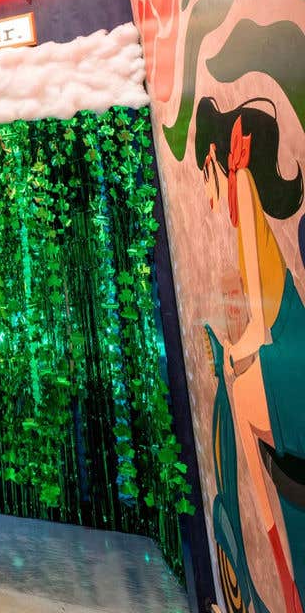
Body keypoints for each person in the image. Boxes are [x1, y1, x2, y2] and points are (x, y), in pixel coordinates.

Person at [196, 97, 304, 613]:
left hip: (285, 347)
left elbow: (261, 316)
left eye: (206, 171)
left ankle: (279, 564)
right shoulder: (241, 206)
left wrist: (235, 352)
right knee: (238, 400)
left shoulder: (242, 187)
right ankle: (278, 563)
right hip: (277, 345)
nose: (207, 185)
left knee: (239, 402)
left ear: (218, 157)